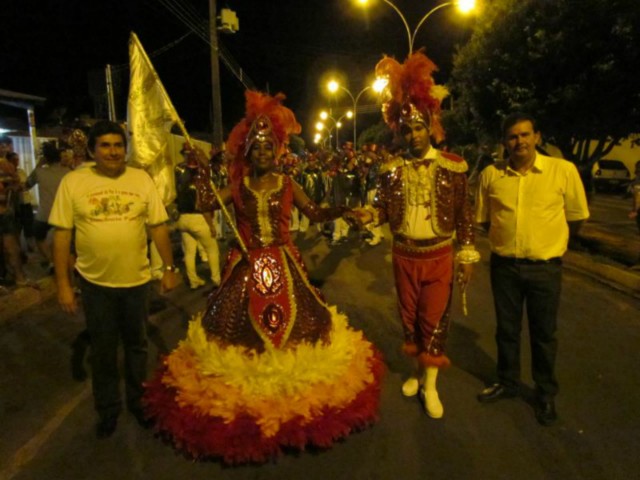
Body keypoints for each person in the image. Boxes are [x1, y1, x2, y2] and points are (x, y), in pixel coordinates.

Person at [144, 91, 383, 464]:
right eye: (256, 151)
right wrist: (201, 174)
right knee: (235, 332)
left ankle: (289, 401)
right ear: (248, 155)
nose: (262, 156)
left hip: (284, 263)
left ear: (277, 153)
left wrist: (344, 210)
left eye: (268, 150)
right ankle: (249, 400)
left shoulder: (288, 184)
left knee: (300, 329)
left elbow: (315, 213)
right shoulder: (238, 187)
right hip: (246, 265)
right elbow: (206, 204)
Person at [351, 52, 479, 419]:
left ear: (430, 126)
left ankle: (432, 385)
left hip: (439, 255)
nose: (413, 134)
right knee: (408, 320)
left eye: (419, 127)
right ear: (400, 131)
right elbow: (383, 211)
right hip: (404, 255)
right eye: (407, 129)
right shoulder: (390, 170)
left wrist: (467, 254)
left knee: (433, 320)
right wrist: (367, 215)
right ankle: (415, 373)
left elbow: (464, 215)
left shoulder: (453, 167)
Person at [50, 120, 178, 438]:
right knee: (104, 350)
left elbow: (158, 227)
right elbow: (62, 236)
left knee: (136, 347)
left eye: (118, 145)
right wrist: (64, 285)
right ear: (93, 150)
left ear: (125, 148)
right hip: (95, 285)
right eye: (105, 145)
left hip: (136, 282)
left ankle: (138, 402)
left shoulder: (140, 179)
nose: (112, 151)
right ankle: (108, 409)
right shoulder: (74, 182)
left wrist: (170, 268)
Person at [475, 112, 590, 426]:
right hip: (504, 267)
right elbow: (483, 220)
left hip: (545, 269)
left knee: (543, 335)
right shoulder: (491, 175)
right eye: (513, 136)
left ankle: (544, 393)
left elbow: (577, 217)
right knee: (507, 331)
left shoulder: (562, 171)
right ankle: (507, 381)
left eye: (525, 134)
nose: (519, 141)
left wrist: (552, 242)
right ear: (504, 142)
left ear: (537, 137)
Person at [174, 145, 221, 289]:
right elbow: (203, 204)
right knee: (212, 249)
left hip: (183, 218)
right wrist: (211, 225)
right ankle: (216, 279)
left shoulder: (178, 171)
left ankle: (194, 281)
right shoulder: (200, 177)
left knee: (189, 252)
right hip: (198, 218)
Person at [26, 141, 71, 272]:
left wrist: (38, 165)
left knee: (39, 236)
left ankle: (51, 260)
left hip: (44, 214)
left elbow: (26, 185)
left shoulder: (39, 172)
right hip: (63, 214)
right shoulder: (68, 172)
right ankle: (61, 262)